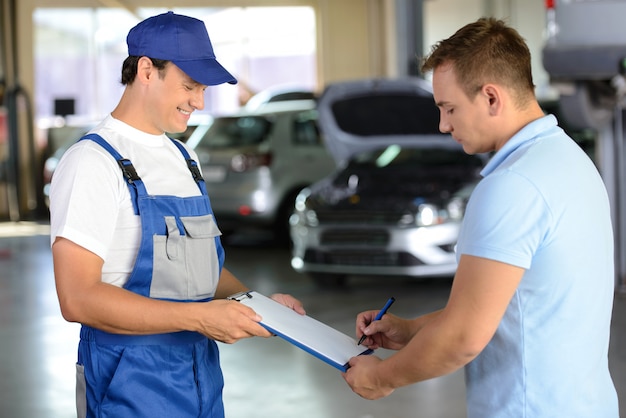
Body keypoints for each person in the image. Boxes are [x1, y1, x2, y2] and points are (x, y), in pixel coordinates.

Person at [343, 17, 619, 417]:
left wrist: (382, 378)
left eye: (449, 108)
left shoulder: (512, 186)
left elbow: (464, 337)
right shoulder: (569, 160)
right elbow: (508, 309)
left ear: (491, 97)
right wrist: (410, 331)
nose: (443, 125)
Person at [49, 11, 305, 418]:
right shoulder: (93, 163)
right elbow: (77, 299)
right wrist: (201, 318)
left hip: (200, 381)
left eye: (202, 88)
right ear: (147, 71)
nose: (199, 102)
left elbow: (200, 269)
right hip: (127, 388)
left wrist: (259, 307)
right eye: (189, 86)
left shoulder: (185, 158)